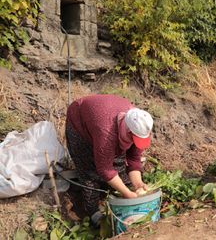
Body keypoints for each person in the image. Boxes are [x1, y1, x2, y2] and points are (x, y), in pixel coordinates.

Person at [65, 94, 153, 224]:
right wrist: (127, 194)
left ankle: (117, 194)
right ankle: (93, 212)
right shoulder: (106, 133)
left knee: (117, 162)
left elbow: (134, 158)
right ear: (128, 132)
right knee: (90, 171)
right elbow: (105, 169)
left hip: (104, 116)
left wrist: (138, 184)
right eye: (134, 139)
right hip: (80, 121)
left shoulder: (139, 126)